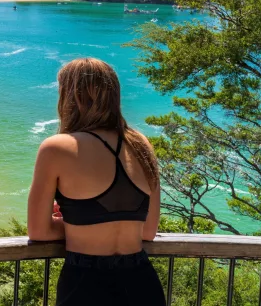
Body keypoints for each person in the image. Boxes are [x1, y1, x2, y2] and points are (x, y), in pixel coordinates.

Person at [27, 58, 163, 306]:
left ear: (70, 97)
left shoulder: (57, 148)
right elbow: (148, 231)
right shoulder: (141, 145)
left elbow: (39, 231)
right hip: (141, 283)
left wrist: (71, 222)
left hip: (85, 284)